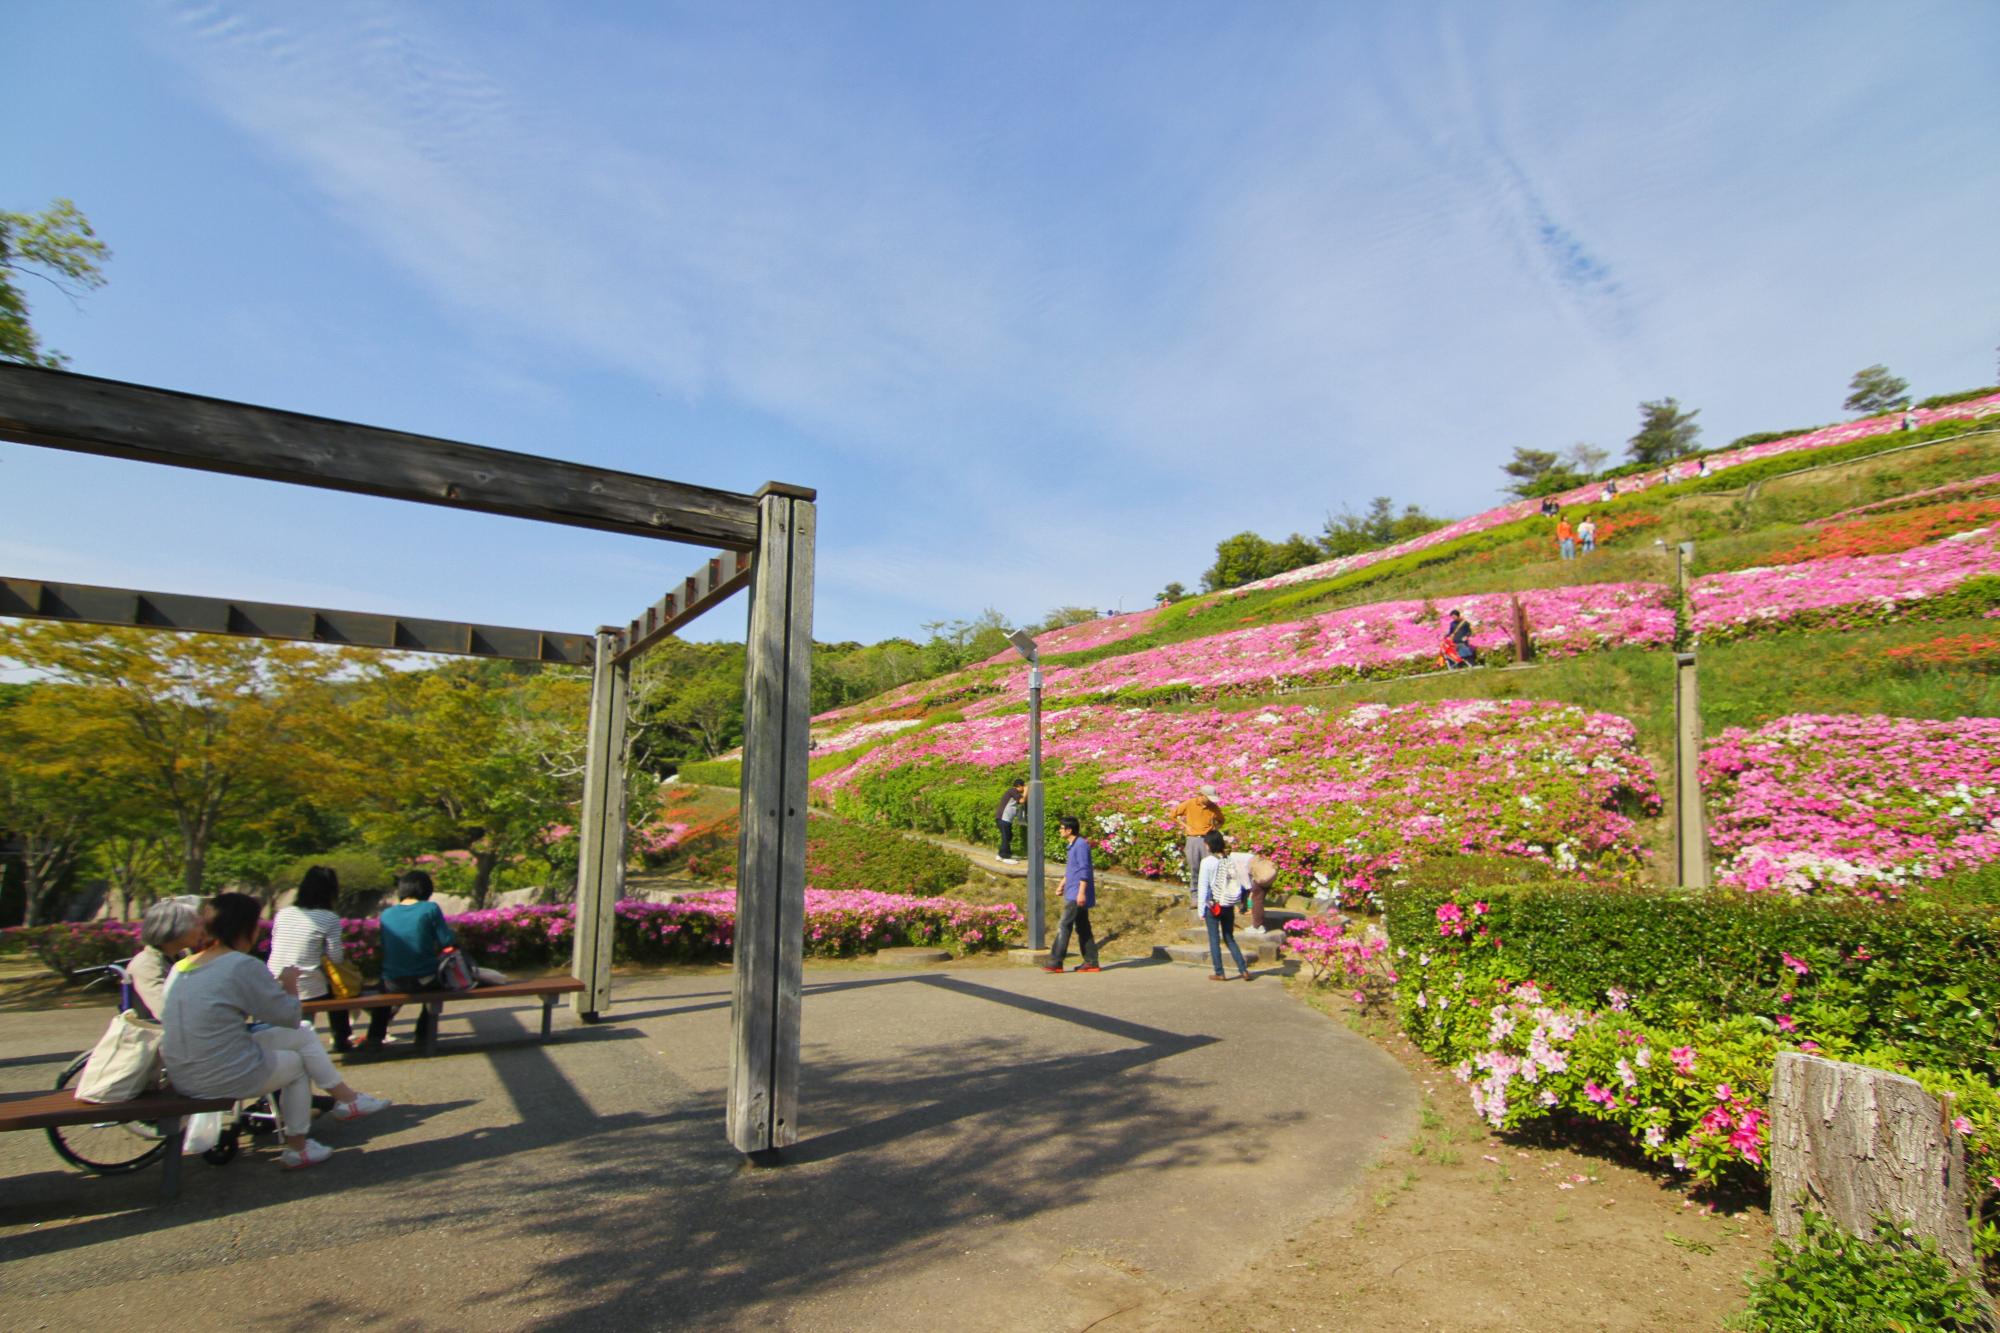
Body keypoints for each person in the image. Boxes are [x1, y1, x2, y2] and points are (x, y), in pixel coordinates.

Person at [161, 893, 390, 1170]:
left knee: (304, 1033)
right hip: (219, 1075)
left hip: (182, 1073)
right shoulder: (241, 965)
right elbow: (288, 1016)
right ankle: (299, 1147)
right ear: (247, 928)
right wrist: (290, 984)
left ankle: (348, 1100)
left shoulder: (181, 967)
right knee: (296, 1063)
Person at [269, 865, 364, 1054]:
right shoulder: (329, 918)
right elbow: (336, 957)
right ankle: (341, 1039)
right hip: (305, 986)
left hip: (273, 980)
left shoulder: (283, 913)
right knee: (338, 992)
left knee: (322, 984)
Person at [371, 869, 457, 1051]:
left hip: (392, 982)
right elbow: (447, 941)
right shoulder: (430, 908)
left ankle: (374, 1037)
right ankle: (423, 1035)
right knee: (440, 983)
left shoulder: (386, 914)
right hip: (425, 980)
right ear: (426, 890)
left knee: (383, 989)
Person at [127, 896, 204, 1022]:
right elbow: (165, 1010)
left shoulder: (183, 956)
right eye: (195, 924)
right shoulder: (146, 964)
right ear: (173, 928)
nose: (201, 930)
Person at [1042, 816, 1100, 973]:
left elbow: (1084, 870)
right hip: (1073, 890)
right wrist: (1062, 885)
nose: (1059, 831)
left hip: (1077, 893)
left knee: (1064, 924)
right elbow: (1072, 870)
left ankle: (1055, 961)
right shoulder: (1073, 846)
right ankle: (1091, 961)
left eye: (1061, 828)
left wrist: (1081, 893)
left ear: (1069, 830)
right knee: (1083, 927)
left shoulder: (1080, 845)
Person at [1195, 831, 1251, 981]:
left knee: (1214, 939)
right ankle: (1243, 969)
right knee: (1229, 938)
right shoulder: (1228, 860)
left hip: (1213, 905)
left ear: (1209, 844)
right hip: (1228, 904)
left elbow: (1203, 887)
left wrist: (1201, 910)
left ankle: (1219, 972)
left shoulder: (1207, 862)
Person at [1172, 785, 1226, 899]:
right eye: (1209, 798)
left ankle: (1210, 896)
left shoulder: (1213, 807)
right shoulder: (1189, 803)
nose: (1211, 801)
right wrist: (1186, 826)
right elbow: (1174, 815)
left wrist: (1215, 829)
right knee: (1195, 868)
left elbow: (1221, 820)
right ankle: (1195, 896)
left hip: (1207, 839)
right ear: (1202, 795)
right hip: (1193, 839)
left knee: (1210, 868)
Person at [994, 778, 1025, 864]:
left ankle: (1001, 855)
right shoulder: (1013, 791)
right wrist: (1026, 791)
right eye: (1023, 786)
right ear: (1019, 786)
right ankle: (1005, 857)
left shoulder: (1014, 793)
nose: (1024, 788)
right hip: (1003, 818)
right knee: (1006, 837)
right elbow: (1022, 800)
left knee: (1008, 836)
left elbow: (1021, 800)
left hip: (1005, 819)